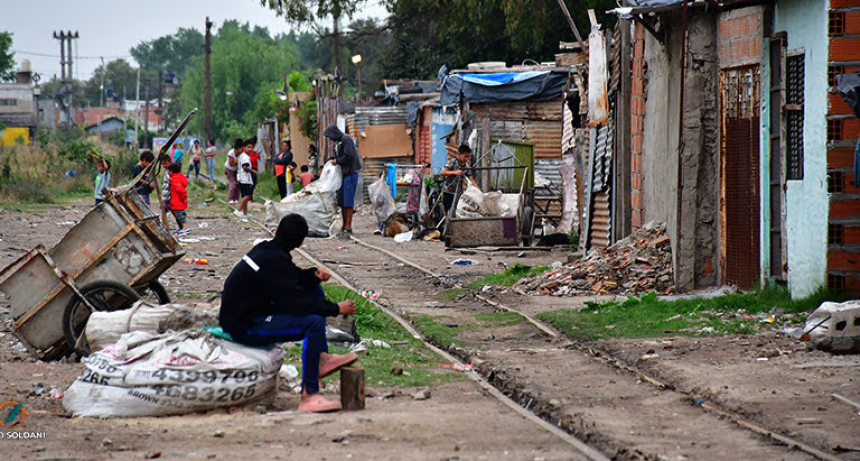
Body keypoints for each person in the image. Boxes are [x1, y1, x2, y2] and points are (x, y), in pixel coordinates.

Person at [219, 214, 358, 413]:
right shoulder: (275, 259)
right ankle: (309, 395)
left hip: (254, 310)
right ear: (300, 243)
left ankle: (321, 359)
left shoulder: (269, 251)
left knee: (313, 288)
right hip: (245, 325)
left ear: (276, 232)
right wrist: (336, 309)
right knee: (313, 324)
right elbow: (298, 305)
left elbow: (291, 277)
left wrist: (313, 275)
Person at [324, 124, 362, 234]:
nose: (330, 139)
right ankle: (344, 225)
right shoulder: (340, 141)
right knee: (342, 201)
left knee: (348, 202)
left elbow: (349, 155)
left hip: (350, 173)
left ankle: (348, 226)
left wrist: (338, 161)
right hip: (344, 174)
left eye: (330, 136)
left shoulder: (346, 139)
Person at [440, 144, 477, 215]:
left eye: (468, 157)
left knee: (457, 211)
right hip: (448, 191)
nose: (467, 159)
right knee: (448, 210)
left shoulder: (466, 167)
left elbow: (472, 180)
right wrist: (455, 172)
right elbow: (443, 172)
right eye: (465, 156)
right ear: (459, 154)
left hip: (458, 193)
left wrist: (478, 191)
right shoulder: (452, 162)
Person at [235, 138, 257, 218]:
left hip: (242, 178)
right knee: (248, 195)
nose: (250, 149)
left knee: (245, 196)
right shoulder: (245, 157)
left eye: (251, 147)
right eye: (248, 147)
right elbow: (245, 167)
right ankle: (239, 210)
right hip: (245, 179)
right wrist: (253, 171)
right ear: (244, 147)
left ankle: (245, 213)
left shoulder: (243, 156)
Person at [166, 163, 190, 235]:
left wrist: (183, 198)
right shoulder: (180, 178)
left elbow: (181, 190)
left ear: (171, 171)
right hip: (178, 201)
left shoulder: (174, 180)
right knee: (178, 216)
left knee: (180, 217)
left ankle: (186, 229)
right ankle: (181, 228)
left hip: (178, 201)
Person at [225, 138, 242, 204]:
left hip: (236, 170)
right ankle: (230, 199)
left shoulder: (241, 154)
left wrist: (236, 161)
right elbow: (231, 164)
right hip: (229, 170)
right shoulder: (231, 153)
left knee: (238, 184)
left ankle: (236, 199)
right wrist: (237, 162)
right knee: (233, 183)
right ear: (237, 148)